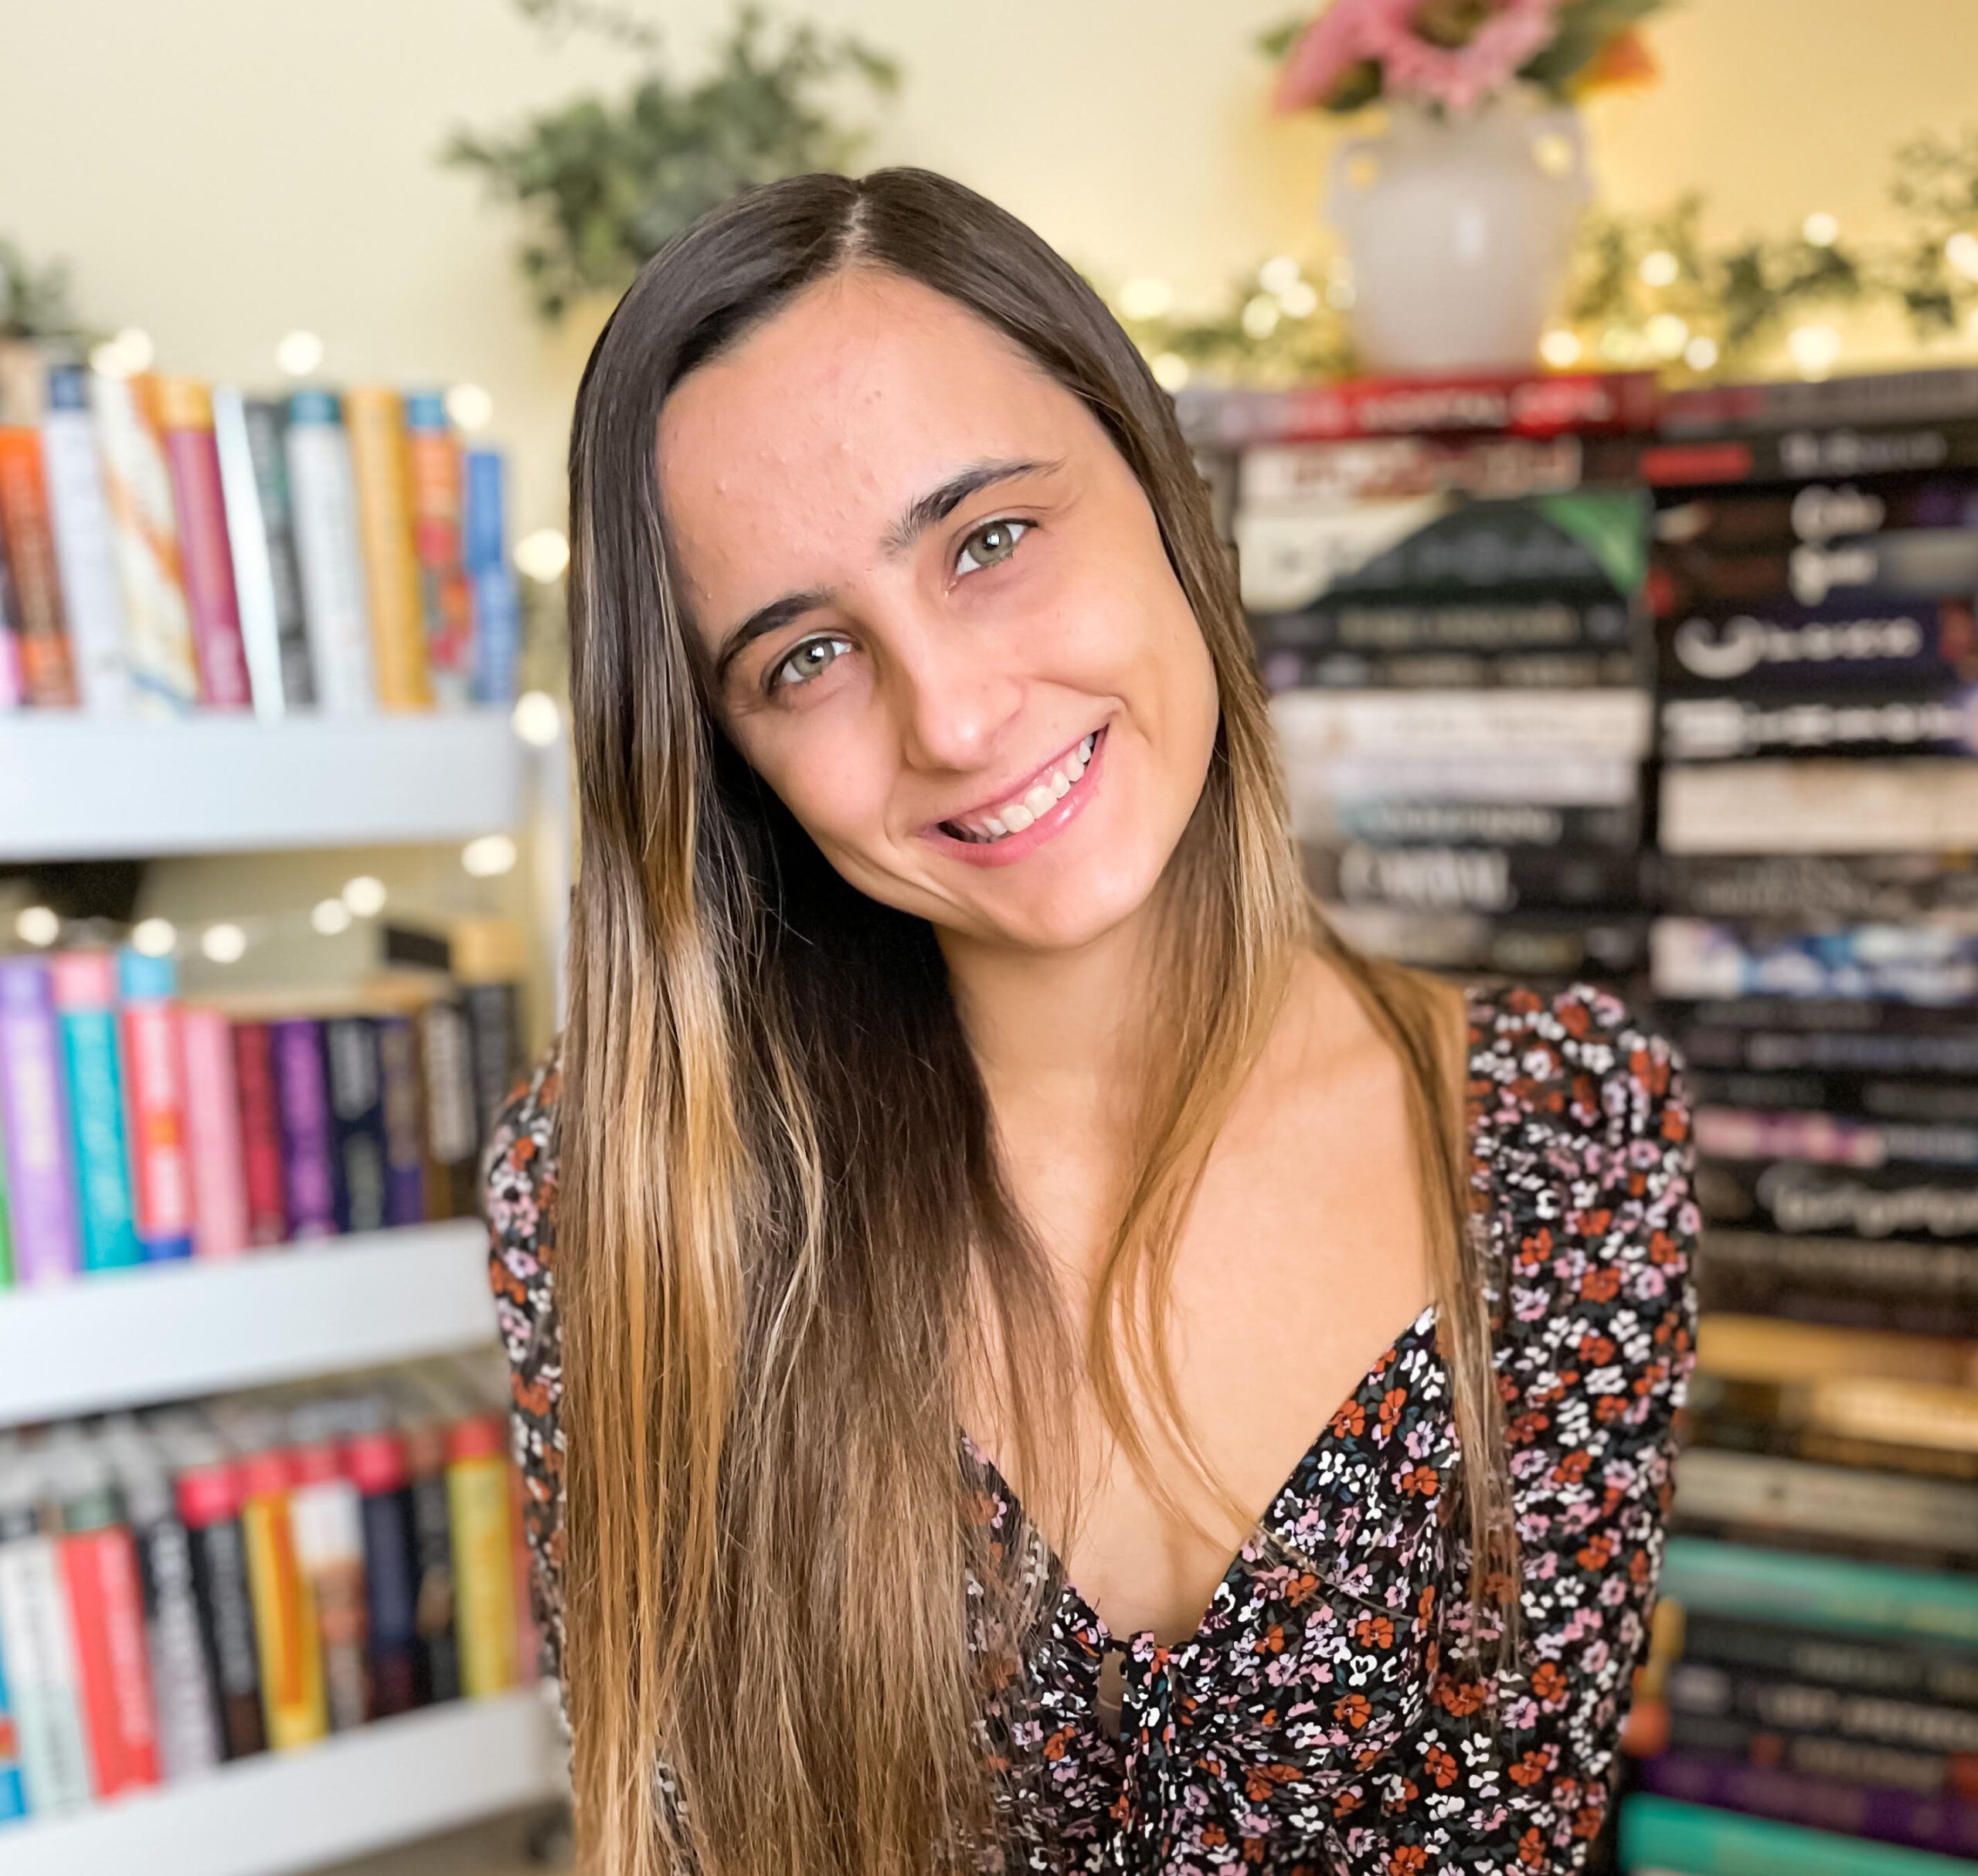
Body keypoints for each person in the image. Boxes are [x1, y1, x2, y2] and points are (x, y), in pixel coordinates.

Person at [484, 165, 1698, 1876]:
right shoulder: (620, 1189)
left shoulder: (1571, 1131)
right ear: (728, 758)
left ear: (1158, 483)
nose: (954, 718)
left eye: (987, 540)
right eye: (804, 657)